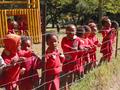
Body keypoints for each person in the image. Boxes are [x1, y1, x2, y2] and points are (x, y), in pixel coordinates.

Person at [61, 24, 81, 90]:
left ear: (75, 31)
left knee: (72, 73)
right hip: (66, 60)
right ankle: (65, 87)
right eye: (69, 31)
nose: (71, 32)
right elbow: (63, 46)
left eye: (73, 30)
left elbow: (80, 46)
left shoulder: (77, 39)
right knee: (65, 74)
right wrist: (71, 48)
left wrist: (82, 48)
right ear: (66, 31)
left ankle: (70, 86)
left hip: (74, 60)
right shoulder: (64, 39)